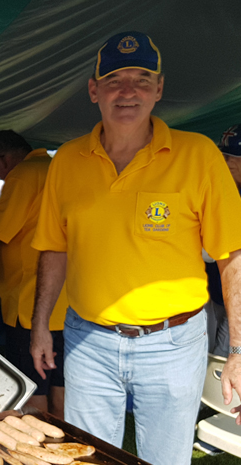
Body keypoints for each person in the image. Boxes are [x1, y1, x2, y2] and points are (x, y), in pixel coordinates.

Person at [29, 31, 241, 465]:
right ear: (94, 90)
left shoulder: (198, 155)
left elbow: (232, 256)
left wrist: (238, 349)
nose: (128, 91)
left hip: (174, 342)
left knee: (166, 460)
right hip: (87, 339)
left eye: (142, 79)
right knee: (90, 457)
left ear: (159, 89)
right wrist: (39, 326)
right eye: (113, 79)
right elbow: (54, 249)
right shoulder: (66, 161)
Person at [0, 130, 68, 418]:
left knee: (36, 386)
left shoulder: (24, 174)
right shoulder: (57, 168)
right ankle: (68, 444)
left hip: (31, 298)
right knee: (61, 382)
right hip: (68, 300)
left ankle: (43, 448)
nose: (0, 175)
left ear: (3, 159)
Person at [205, 124, 241, 357]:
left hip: (236, 298)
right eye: (225, 155)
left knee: (224, 360)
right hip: (209, 292)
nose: (227, 161)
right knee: (204, 358)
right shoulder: (215, 190)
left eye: (235, 157)